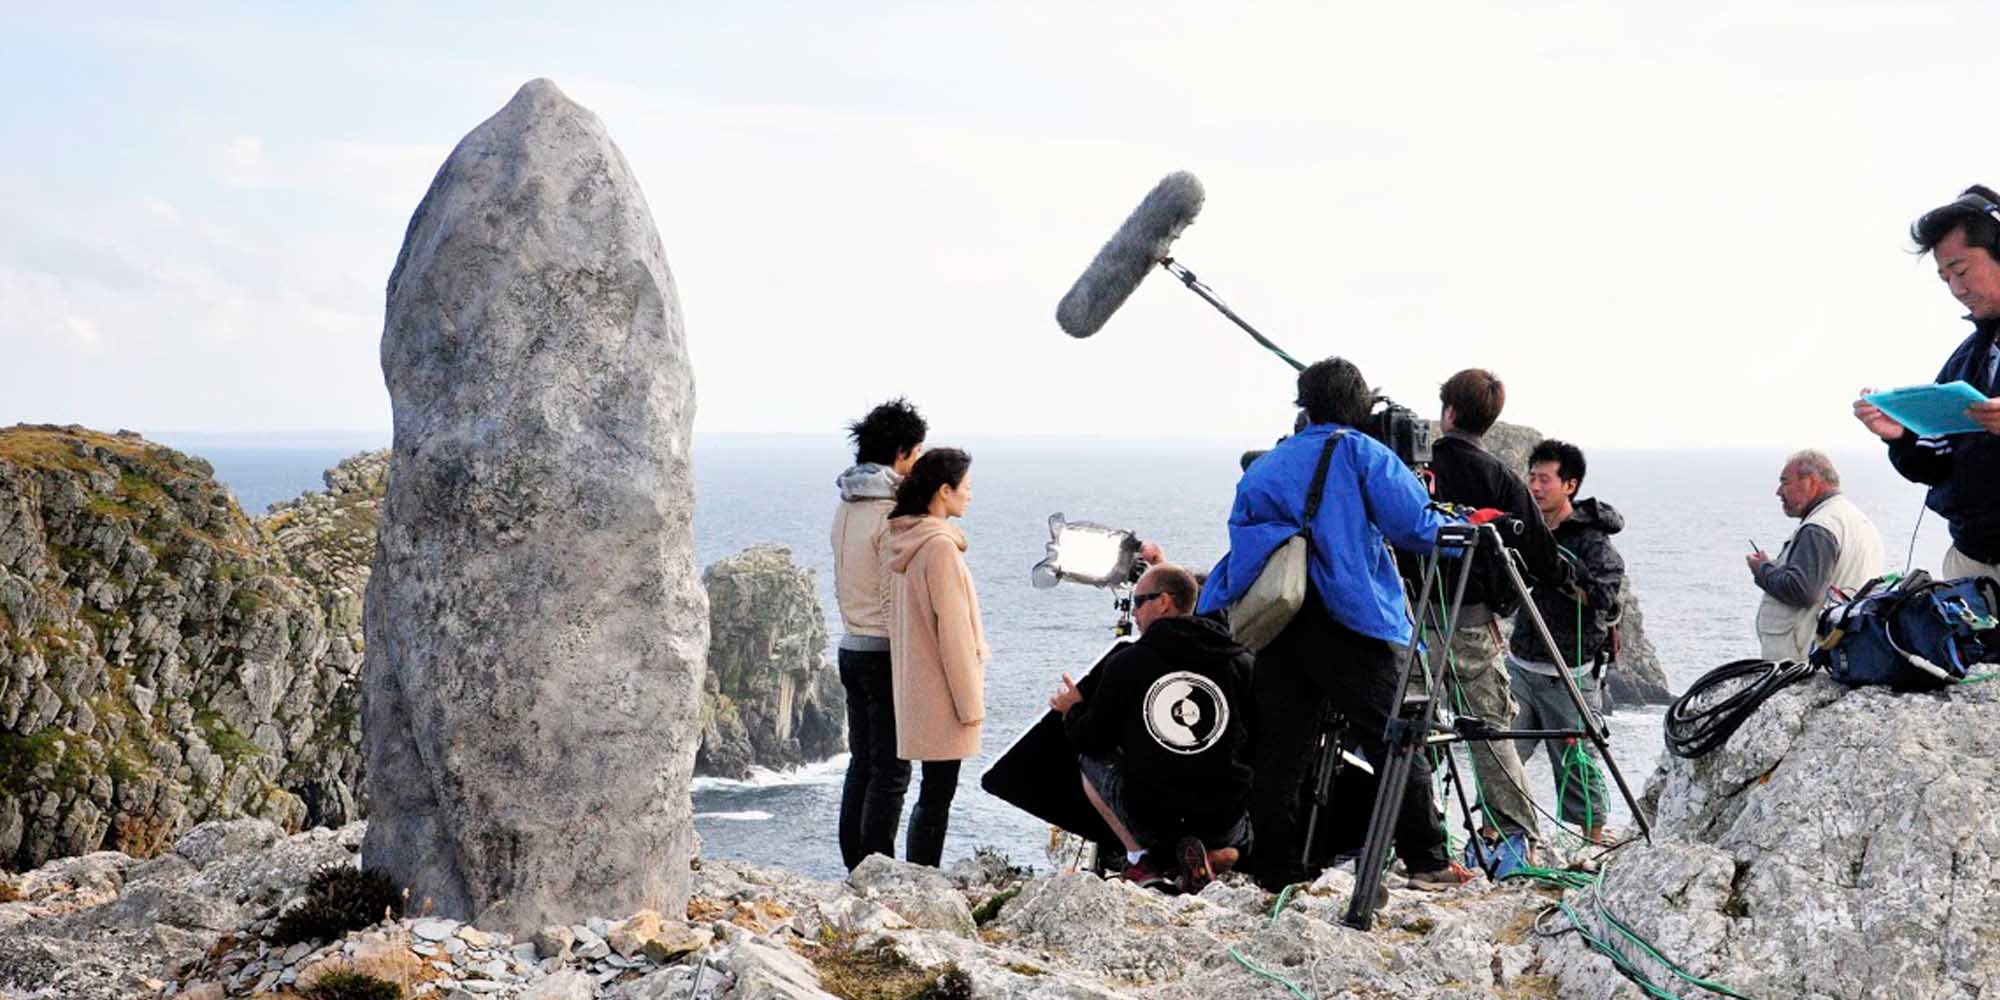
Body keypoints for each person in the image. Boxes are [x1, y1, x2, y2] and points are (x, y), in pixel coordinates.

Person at [1197, 356, 1466, 892]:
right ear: (1358, 403)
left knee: (1281, 751)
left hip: (1280, 617)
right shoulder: (1362, 452)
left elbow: (1244, 540)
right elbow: (1415, 526)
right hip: (1350, 617)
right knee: (1395, 737)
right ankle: (1429, 860)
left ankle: (1277, 869)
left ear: (1305, 403)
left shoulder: (1268, 465)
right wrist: (1463, 525)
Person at [1410, 368, 1569, 860]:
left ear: (1449, 412)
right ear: (1487, 420)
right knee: (1490, 726)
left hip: (1406, 615)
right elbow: (1544, 559)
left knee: (1408, 725)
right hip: (1470, 620)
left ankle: (1408, 834)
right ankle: (1515, 837)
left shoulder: (1411, 467)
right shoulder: (1498, 477)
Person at [1048, 563, 1253, 894]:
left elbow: (1091, 738)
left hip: (1153, 819)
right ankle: (1216, 854)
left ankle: (1141, 860)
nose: (1135, 612)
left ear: (1164, 602)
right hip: (1223, 819)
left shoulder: (1128, 663)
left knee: (1090, 760)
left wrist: (1073, 710)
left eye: (1139, 601)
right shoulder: (1241, 661)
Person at [1853, 185, 2000, 583]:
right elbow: (1936, 464)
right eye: (1945, 278)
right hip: (1972, 562)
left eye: (1963, 271)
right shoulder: (1970, 357)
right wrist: (1901, 434)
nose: (1956, 289)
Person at [1507, 439, 1622, 845]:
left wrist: (1559, 575)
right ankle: (1498, 832)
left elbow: (1606, 596)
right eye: (1532, 478)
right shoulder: (1526, 528)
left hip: (1568, 671)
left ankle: (1591, 841)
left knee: (1577, 762)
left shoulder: (1592, 541)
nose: (1535, 487)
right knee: (1501, 754)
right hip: (1520, 663)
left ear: (1569, 485)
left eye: (1545, 479)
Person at [831, 398, 926, 870]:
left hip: (850, 644)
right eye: (916, 455)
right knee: (892, 769)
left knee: (862, 763)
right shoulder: (889, 513)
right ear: (902, 453)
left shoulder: (846, 505)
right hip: (883, 649)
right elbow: (894, 593)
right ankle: (877, 866)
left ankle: (854, 862)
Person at [885, 448, 987, 867]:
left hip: (917, 682)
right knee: (938, 792)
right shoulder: (940, 548)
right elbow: (955, 633)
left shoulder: (908, 541)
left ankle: (918, 871)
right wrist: (971, 706)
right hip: (943, 688)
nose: (970, 496)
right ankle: (924, 874)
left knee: (931, 788)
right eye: (966, 487)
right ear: (944, 491)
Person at [1747, 450, 1885, 662]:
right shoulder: (1857, 520)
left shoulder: (1819, 526)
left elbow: (1801, 590)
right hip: (1842, 650)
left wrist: (1762, 570)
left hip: (1803, 658)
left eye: (1785, 482)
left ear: (1810, 481)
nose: (1778, 492)